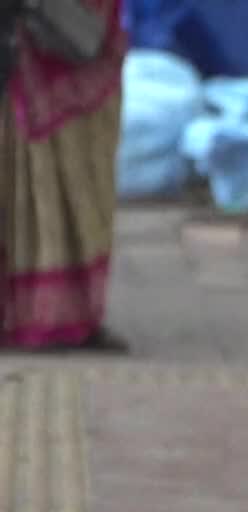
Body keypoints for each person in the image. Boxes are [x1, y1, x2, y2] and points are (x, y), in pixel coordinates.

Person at [1, 0, 129, 351]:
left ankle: (73, 315)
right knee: (28, 175)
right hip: (24, 48)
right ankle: (44, 314)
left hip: (81, 37)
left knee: (84, 180)